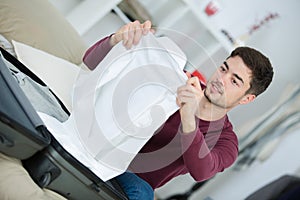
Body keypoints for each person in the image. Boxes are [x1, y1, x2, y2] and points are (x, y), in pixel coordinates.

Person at [82, 20, 274, 200]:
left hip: (133, 179)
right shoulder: (177, 79)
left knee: (141, 194)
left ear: (247, 98)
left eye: (234, 81)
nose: (221, 79)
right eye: (224, 69)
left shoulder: (226, 142)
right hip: (103, 148)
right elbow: (90, 63)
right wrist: (115, 40)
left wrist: (189, 117)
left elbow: (202, 171)